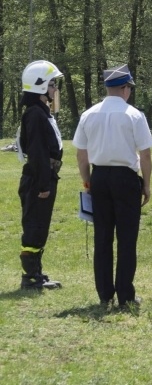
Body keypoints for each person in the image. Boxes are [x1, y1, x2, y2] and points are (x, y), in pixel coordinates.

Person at [73, 65, 152, 308]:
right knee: (127, 239)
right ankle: (125, 295)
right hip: (125, 178)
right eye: (129, 88)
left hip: (99, 177)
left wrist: (87, 181)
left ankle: (105, 294)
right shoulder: (134, 115)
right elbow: (146, 155)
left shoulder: (89, 114)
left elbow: (81, 155)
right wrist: (147, 185)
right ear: (124, 88)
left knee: (103, 237)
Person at [17, 60, 64, 290]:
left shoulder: (41, 112)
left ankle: (36, 273)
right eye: (53, 84)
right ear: (41, 86)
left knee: (41, 226)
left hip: (44, 177)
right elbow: (36, 152)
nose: (56, 89)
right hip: (38, 180)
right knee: (34, 226)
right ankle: (30, 277)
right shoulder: (35, 114)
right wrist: (43, 183)